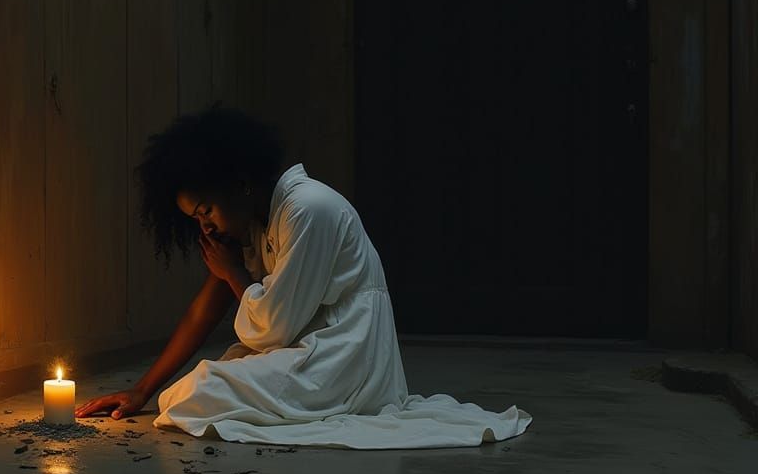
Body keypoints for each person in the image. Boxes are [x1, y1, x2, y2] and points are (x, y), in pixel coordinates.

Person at [75, 107, 531, 448]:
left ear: (240, 183)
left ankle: (337, 403)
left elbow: (275, 327)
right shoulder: (258, 218)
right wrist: (141, 390)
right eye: (195, 219)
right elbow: (207, 306)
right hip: (314, 350)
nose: (206, 227)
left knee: (195, 393)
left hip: (347, 356)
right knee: (184, 392)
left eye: (206, 211)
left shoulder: (307, 209)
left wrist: (233, 272)